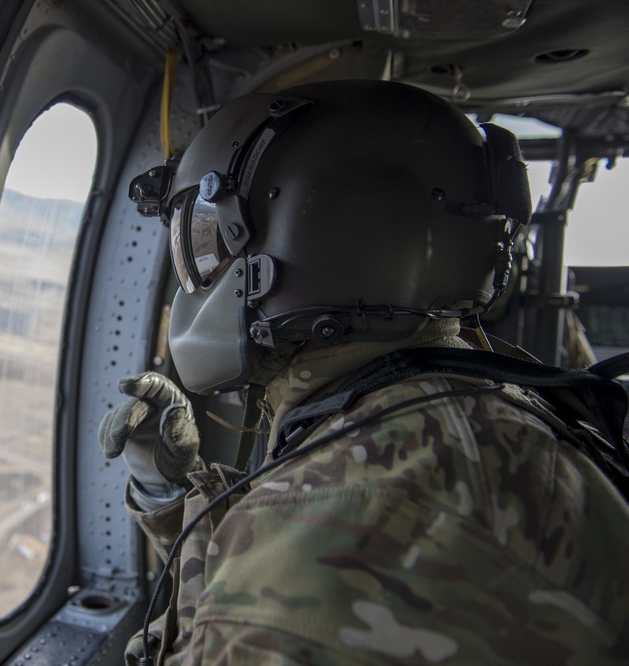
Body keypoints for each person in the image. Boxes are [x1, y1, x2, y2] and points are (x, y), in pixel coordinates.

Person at [99, 80, 629, 665]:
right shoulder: (483, 396)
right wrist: (169, 491)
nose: (195, 273)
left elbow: (292, 583)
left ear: (305, 236)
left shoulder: (350, 532)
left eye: (205, 241)